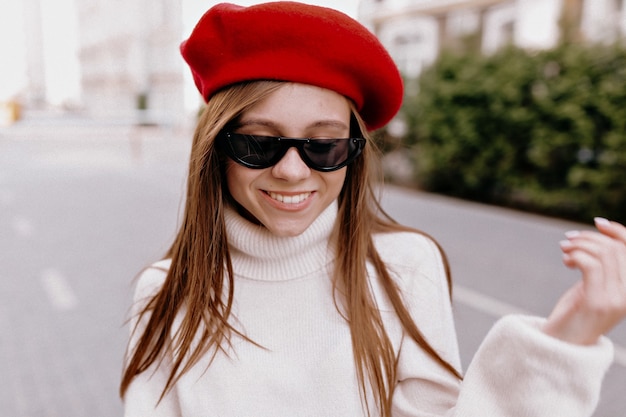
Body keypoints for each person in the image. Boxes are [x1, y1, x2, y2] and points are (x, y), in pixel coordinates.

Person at [119, 2, 626, 416]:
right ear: (215, 151)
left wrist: (563, 342)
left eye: (325, 146)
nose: (294, 172)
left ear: (354, 154)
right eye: (258, 144)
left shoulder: (404, 267)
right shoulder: (165, 294)